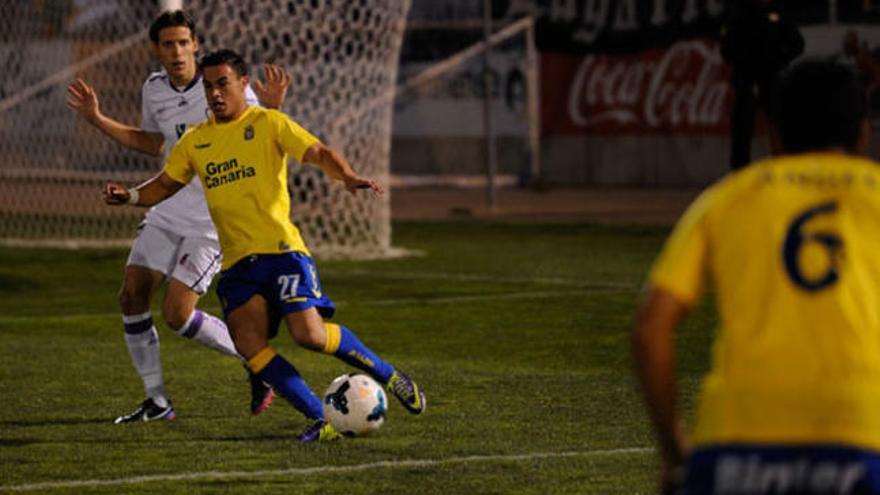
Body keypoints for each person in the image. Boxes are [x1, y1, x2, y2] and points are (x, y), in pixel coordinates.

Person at [101, 49, 426, 442]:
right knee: (247, 342)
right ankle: (320, 420)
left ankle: (389, 375)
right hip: (237, 263)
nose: (215, 93)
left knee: (309, 335)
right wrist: (132, 197)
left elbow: (319, 153)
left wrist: (348, 176)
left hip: (281, 252)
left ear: (242, 84)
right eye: (208, 86)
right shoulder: (196, 141)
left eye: (223, 83)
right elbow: (165, 185)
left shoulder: (270, 122)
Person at [633, 60, 879, 495]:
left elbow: (651, 327)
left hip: (735, 447)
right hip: (862, 438)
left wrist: (674, 454)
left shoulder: (729, 199)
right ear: (863, 132)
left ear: (773, 133)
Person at [66, 10, 291, 423]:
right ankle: (157, 401)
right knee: (131, 294)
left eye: (183, 43)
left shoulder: (223, 85)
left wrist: (273, 109)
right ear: (157, 50)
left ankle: (258, 361)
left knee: (176, 314)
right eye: (167, 44)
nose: (176, 51)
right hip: (168, 209)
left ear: (195, 45)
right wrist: (98, 120)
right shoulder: (154, 89)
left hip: (210, 222)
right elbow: (154, 142)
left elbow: (260, 132)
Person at [720, 0, 804, 170]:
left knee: (778, 128)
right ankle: (740, 175)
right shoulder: (738, 12)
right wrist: (741, 61)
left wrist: (779, 60)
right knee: (742, 132)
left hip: (771, 79)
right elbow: (726, 46)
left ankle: (783, 171)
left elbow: (797, 44)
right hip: (746, 81)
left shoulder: (778, 12)